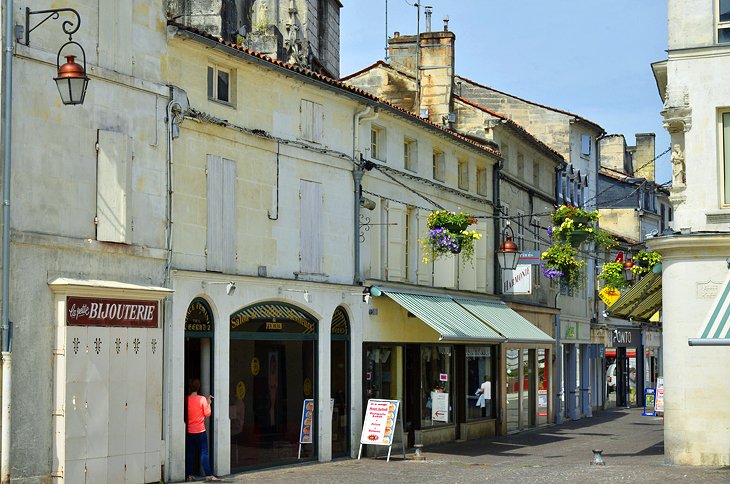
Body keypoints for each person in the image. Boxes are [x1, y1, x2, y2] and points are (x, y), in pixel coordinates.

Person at [186, 379, 220, 482]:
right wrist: (209, 403)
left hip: (190, 431)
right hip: (200, 431)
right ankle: (208, 475)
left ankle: (189, 475)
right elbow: (207, 414)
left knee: (190, 454)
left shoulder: (186, 399)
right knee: (204, 453)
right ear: (198, 387)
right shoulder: (202, 399)